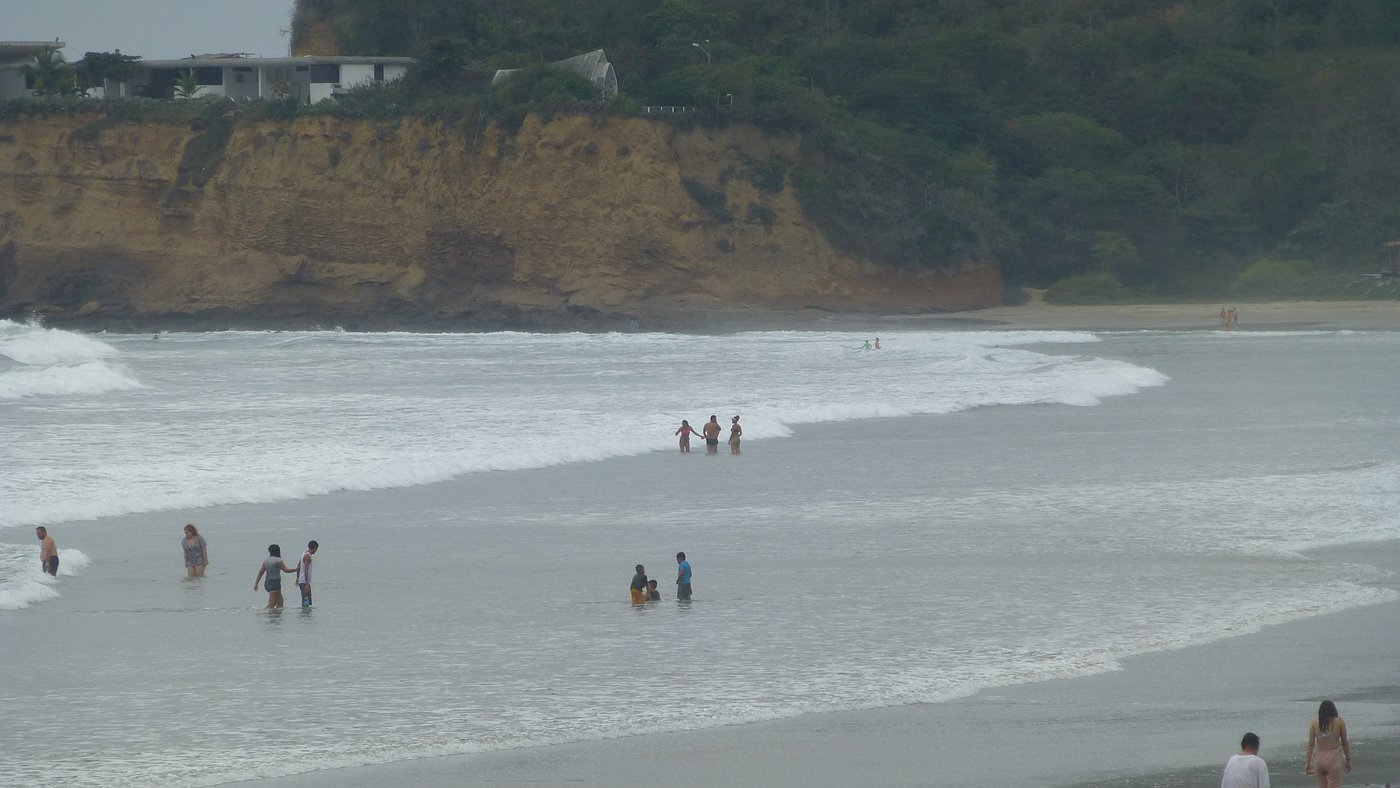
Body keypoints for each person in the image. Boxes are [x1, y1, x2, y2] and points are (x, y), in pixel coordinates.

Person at [1305, 699, 1351, 788]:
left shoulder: (1314, 722)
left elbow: (1311, 744)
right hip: (1333, 758)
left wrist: (1308, 762)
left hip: (1319, 758)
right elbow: (1344, 743)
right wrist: (1348, 760)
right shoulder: (1340, 722)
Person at [253, 544, 297, 609]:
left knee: (280, 601)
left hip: (267, 583)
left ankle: (277, 614)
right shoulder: (278, 560)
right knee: (272, 605)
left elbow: (261, 572)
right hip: (275, 583)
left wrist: (256, 583)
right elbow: (286, 570)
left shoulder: (266, 561)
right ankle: (263, 613)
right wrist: (297, 569)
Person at [296, 540, 318, 608]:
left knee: (307, 601)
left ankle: (306, 614)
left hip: (302, 581)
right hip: (304, 582)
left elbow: (298, 566)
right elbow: (306, 570)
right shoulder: (307, 556)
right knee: (306, 602)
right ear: (315, 548)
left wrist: (297, 578)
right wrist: (307, 584)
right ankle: (305, 614)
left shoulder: (303, 554)